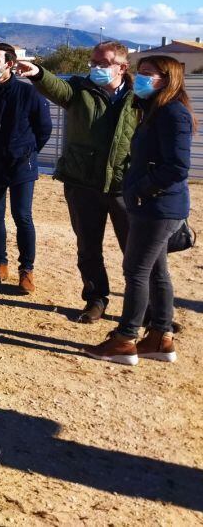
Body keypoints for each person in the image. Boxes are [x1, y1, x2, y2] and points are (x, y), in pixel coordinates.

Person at [14, 42, 138, 323]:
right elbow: (58, 89)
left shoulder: (139, 97)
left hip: (124, 185)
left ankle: (148, 308)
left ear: (122, 67)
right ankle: (95, 299)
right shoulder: (80, 90)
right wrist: (37, 73)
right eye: (93, 62)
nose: (96, 68)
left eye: (103, 63)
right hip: (83, 183)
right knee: (88, 247)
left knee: (136, 251)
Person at [85, 56, 195, 365]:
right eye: (139, 72)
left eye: (148, 74)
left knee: (136, 271)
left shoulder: (173, 114)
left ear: (167, 79)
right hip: (154, 206)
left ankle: (126, 339)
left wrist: (141, 189)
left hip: (158, 209)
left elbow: (177, 167)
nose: (140, 79)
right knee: (157, 272)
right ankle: (160, 338)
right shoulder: (155, 111)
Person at [0, 43, 52, 294]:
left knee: (22, 216)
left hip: (21, 165)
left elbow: (44, 129)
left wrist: (26, 151)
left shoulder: (29, 94)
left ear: (9, 64)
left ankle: (26, 270)